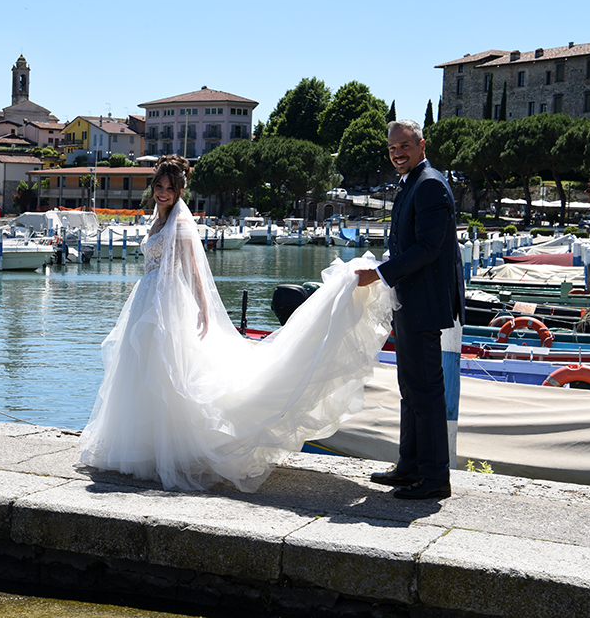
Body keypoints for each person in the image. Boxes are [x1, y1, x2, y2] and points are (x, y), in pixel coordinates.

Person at [79, 155, 397, 492]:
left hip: (168, 302)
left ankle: (171, 451)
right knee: (141, 369)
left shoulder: (180, 222)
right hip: (145, 299)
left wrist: (203, 308)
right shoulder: (157, 218)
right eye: (159, 186)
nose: (163, 193)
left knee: (167, 371)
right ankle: (143, 448)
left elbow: (193, 269)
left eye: (169, 188)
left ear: (180, 191)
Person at [356, 120, 464, 500]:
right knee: (411, 388)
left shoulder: (430, 183)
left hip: (424, 303)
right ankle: (410, 467)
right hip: (409, 300)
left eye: (404, 145)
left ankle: (434, 479)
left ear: (422, 144)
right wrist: (384, 265)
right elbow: (406, 245)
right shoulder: (411, 182)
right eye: (392, 148)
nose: (397, 153)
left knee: (426, 390)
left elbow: (428, 248)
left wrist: (378, 274)